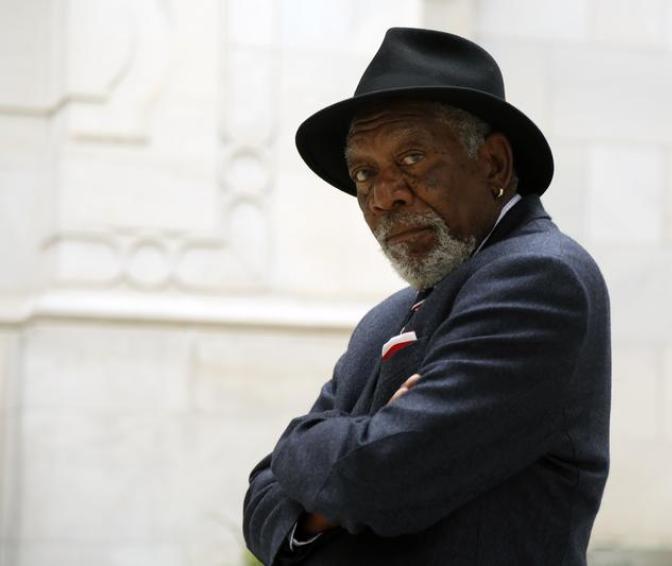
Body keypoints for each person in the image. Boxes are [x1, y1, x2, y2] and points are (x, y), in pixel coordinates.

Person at [243, 27, 611, 566]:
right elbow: (259, 501)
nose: (385, 195)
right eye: (364, 173)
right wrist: (345, 463)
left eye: (412, 159)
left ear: (494, 166)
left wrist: (303, 444)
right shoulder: (384, 319)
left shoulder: (540, 277)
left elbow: (380, 479)